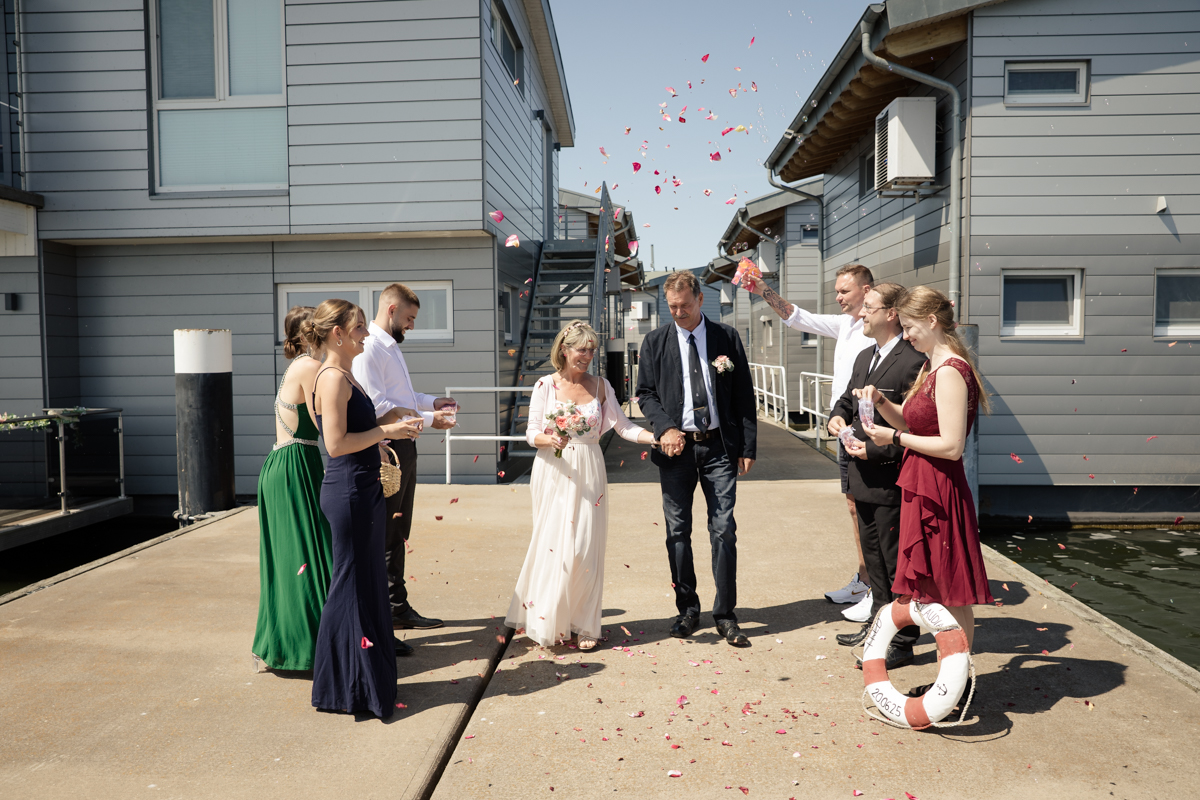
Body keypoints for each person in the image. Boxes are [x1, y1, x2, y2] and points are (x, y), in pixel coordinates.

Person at [856, 285, 993, 697]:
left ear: (932, 321)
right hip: (922, 482)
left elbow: (952, 446)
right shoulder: (931, 367)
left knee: (950, 591)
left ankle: (957, 683)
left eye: (911, 326)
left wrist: (893, 439)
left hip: (939, 487)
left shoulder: (950, 370)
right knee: (936, 587)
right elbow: (917, 423)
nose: (907, 334)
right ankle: (950, 680)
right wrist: (881, 401)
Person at [505, 322, 656, 650]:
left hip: (589, 469)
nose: (587, 356)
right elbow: (531, 433)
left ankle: (585, 623)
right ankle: (554, 620)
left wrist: (654, 437)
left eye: (591, 350)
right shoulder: (545, 385)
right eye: (581, 349)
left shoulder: (601, 386)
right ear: (564, 349)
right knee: (556, 546)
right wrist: (551, 438)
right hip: (553, 469)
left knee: (585, 546)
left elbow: (624, 425)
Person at [305, 299, 423, 718]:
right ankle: (342, 686)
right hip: (349, 491)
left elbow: (357, 432)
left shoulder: (345, 375)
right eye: (358, 328)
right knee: (350, 587)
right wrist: (386, 431)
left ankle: (363, 682)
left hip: (364, 487)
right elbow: (335, 445)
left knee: (366, 584)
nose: (364, 335)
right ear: (337, 333)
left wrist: (384, 438)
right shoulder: (332, 379)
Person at [747, 264, 877, 622]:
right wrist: (764, 292)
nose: (837, 297)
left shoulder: (877, 327)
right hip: (843, 424)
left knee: (869, 506)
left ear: (867, 290)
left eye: (844, 291)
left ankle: (876, 587)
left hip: (867, 425)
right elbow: (797, 317)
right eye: (836, 291)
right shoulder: (847, 324)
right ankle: (865, 579)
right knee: (854, 504)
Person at [635, 270, 757, 647]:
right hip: (676, 450)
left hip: (719, 447)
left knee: (723, 530)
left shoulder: (726, 337)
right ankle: (687, 608)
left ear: (700, 299)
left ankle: (725, 614)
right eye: (672, 307)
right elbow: (645, 395)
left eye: (684, 305)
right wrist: (665, 428)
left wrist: (747, 446)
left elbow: (742, 394)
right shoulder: (654, 342)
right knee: (677, 532)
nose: (679, 312)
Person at [827, 284, 927, 669]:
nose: (860, 314)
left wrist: (878, 450)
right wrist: (836, 415)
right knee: (874, 561)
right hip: (860, 473)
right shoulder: (865, 355)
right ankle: (877, 626)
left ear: (891, 313)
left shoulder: (913, 360)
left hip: (890, 477)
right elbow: (848, 401)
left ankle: (901, 641)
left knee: (894, 561)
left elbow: (917, 428)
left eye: (867, 307)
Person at [352, 283, 457, 643]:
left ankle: (396, 607)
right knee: (385, 534)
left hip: (403, 445)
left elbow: (405, 398)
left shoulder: (389, 347)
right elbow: (380, 410)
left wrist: (432, 403)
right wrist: (430, 420)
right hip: (386, 450)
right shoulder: (369, 351)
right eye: (410, 318)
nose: (412, 325)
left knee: (398, 531)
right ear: (392, 309)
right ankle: (389, 613)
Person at [252, 306, 332, 671]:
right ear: (308, 334)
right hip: (295, 467)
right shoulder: (309, 367)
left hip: (293, 463)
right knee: (306, 557)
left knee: (297, 558)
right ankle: (309, 649)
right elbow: (333, 425)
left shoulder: (304, 366)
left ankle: (293, 644)